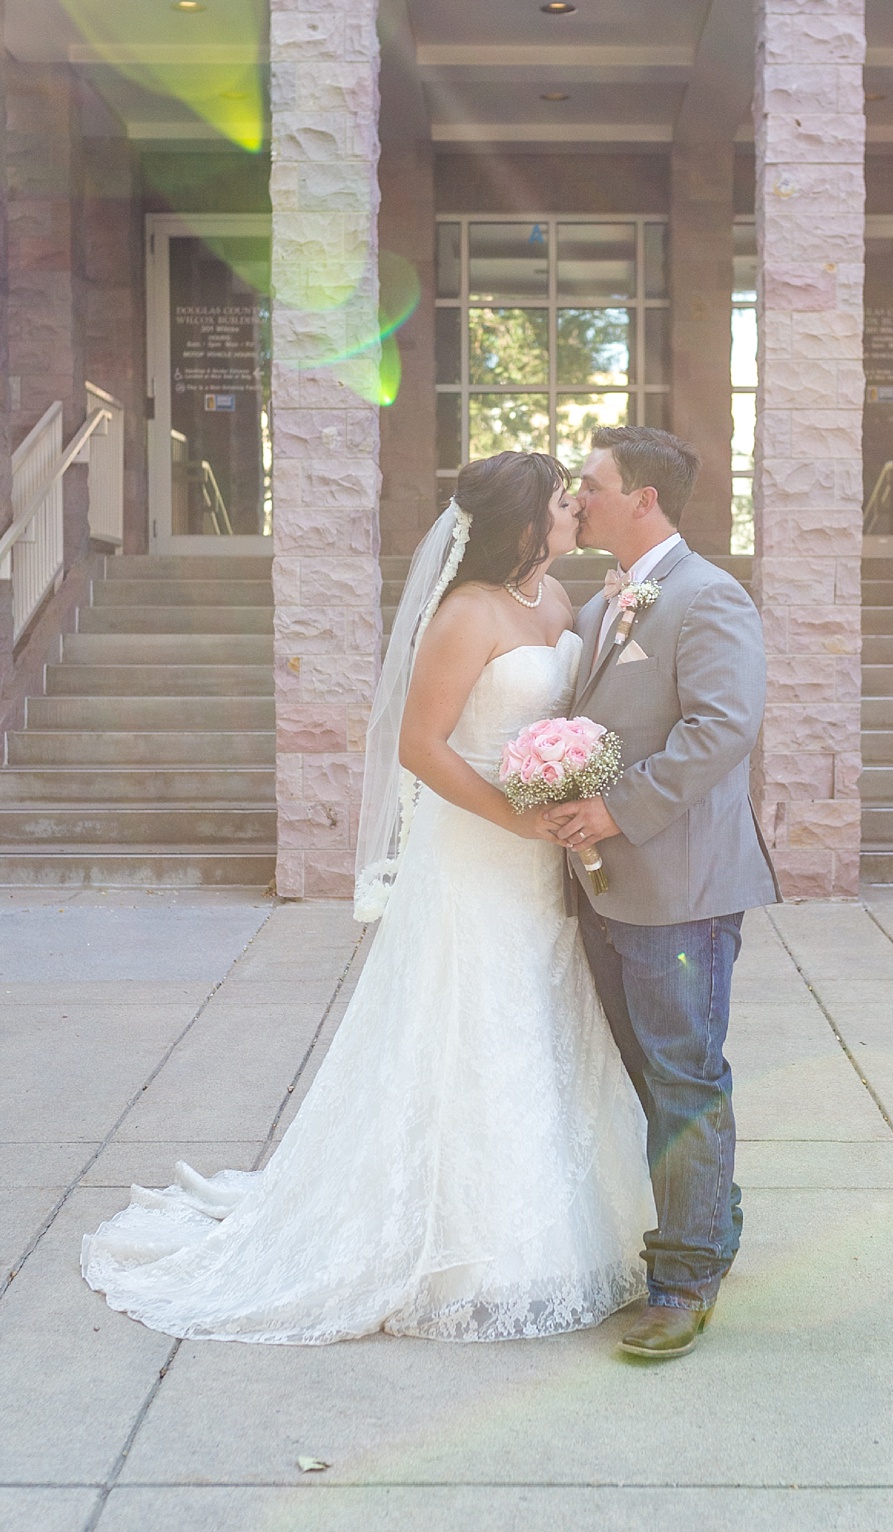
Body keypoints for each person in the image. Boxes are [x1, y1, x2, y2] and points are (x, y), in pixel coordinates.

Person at [82, 451, 654, 1344]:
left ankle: (557, 1229)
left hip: (544, 856)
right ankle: (469, 1249)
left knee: (542, 1019)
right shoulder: (464, 613)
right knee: (472, 1021)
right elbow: (420, 746)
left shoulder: (558, 601)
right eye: (558, 498)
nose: (574, 504)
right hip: (478, 848)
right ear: (524, 520)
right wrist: (515, 813)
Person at [544, 425, 779, 1361]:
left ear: (643, 499)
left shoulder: (710, 596)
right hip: (607, 885)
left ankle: (683, 1281)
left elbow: (724, 728)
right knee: (655, 1075)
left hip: (677, 885)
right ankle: (710, 1220)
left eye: (593, 486)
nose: (579, 499)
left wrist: (613, 811)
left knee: (682, 1080)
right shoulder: (613, 600)